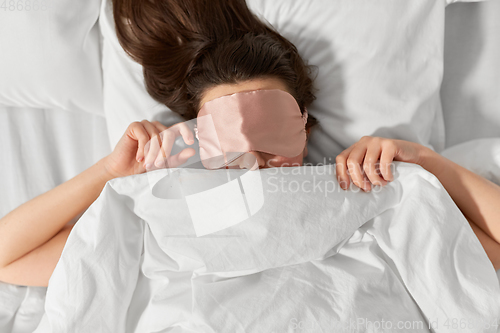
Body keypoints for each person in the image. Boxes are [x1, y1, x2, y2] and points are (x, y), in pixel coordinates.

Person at [1, 0, 499, 288]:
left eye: (271, 145)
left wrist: (424, 159)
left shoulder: (363, 204)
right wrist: (109, 172)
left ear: (304, 128)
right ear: (198, 141)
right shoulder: (170, 227)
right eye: (234, 152)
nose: (257, 169)